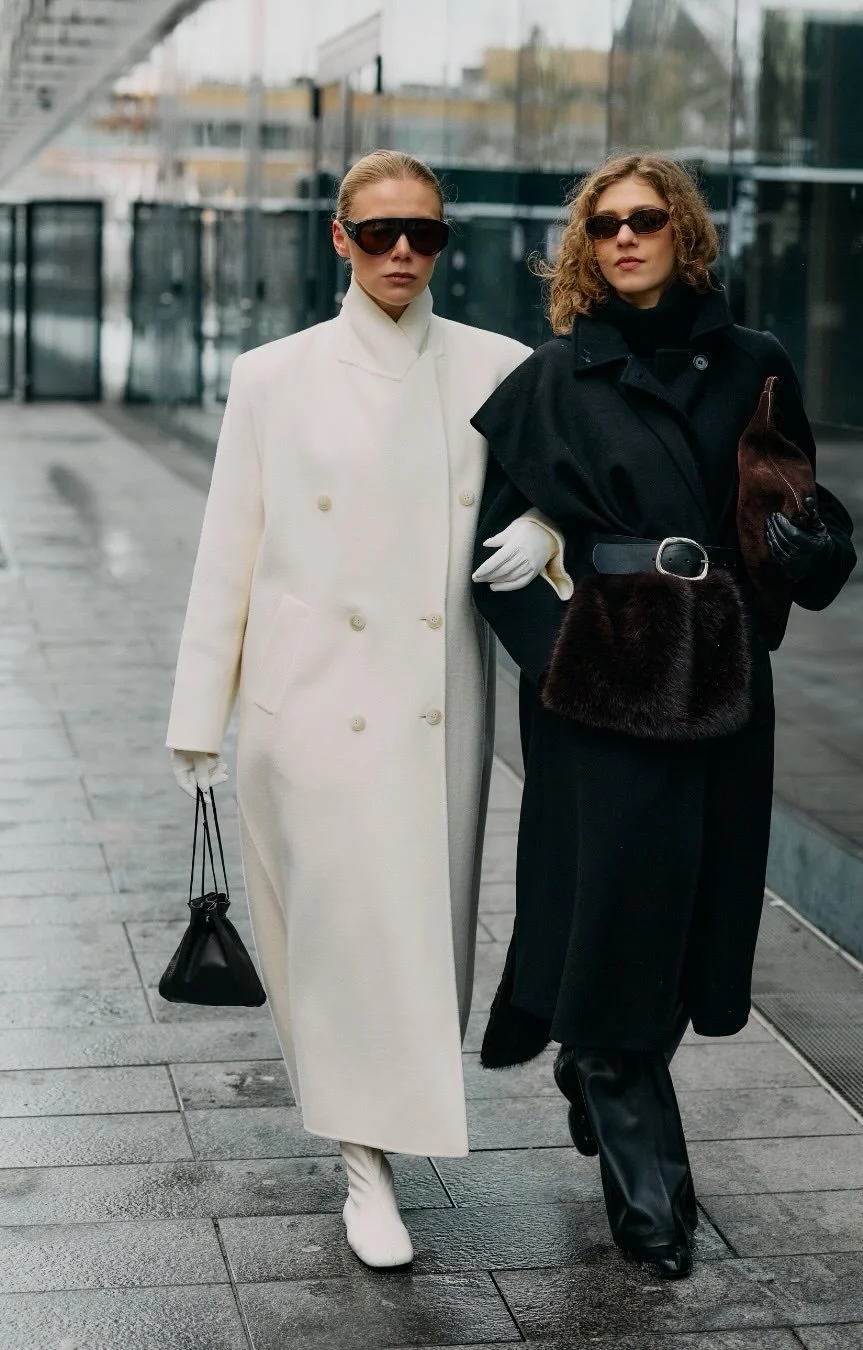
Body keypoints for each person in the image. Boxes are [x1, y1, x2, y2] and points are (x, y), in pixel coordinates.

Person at [166, 150, 568, 1270]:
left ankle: (382, 1139)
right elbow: (228, 549)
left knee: (425, 935)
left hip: (439, 706)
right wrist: (200, 714)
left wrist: (548, 534)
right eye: (381, 233)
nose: (403, 254)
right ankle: (363, 1169)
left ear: (447, 245)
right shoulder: (273, 376)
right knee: (341, 939)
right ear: (337, 238)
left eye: (425, 236)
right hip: (310, 710)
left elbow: (579, 489)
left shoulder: (499, 367)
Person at [470, 153, 856, 1279]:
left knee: (698, 913)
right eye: (603, 226)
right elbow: (489, 571)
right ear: (583, 248)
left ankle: (595, 1051)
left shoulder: (754, 364)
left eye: (646, 220)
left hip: (727, 662)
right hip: (604, 683)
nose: (625, 239)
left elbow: (794, 509)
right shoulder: (554, 378)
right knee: (624, 908)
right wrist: (567, 667)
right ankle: (648, 1180)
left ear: (683, 233)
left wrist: (818, 552)